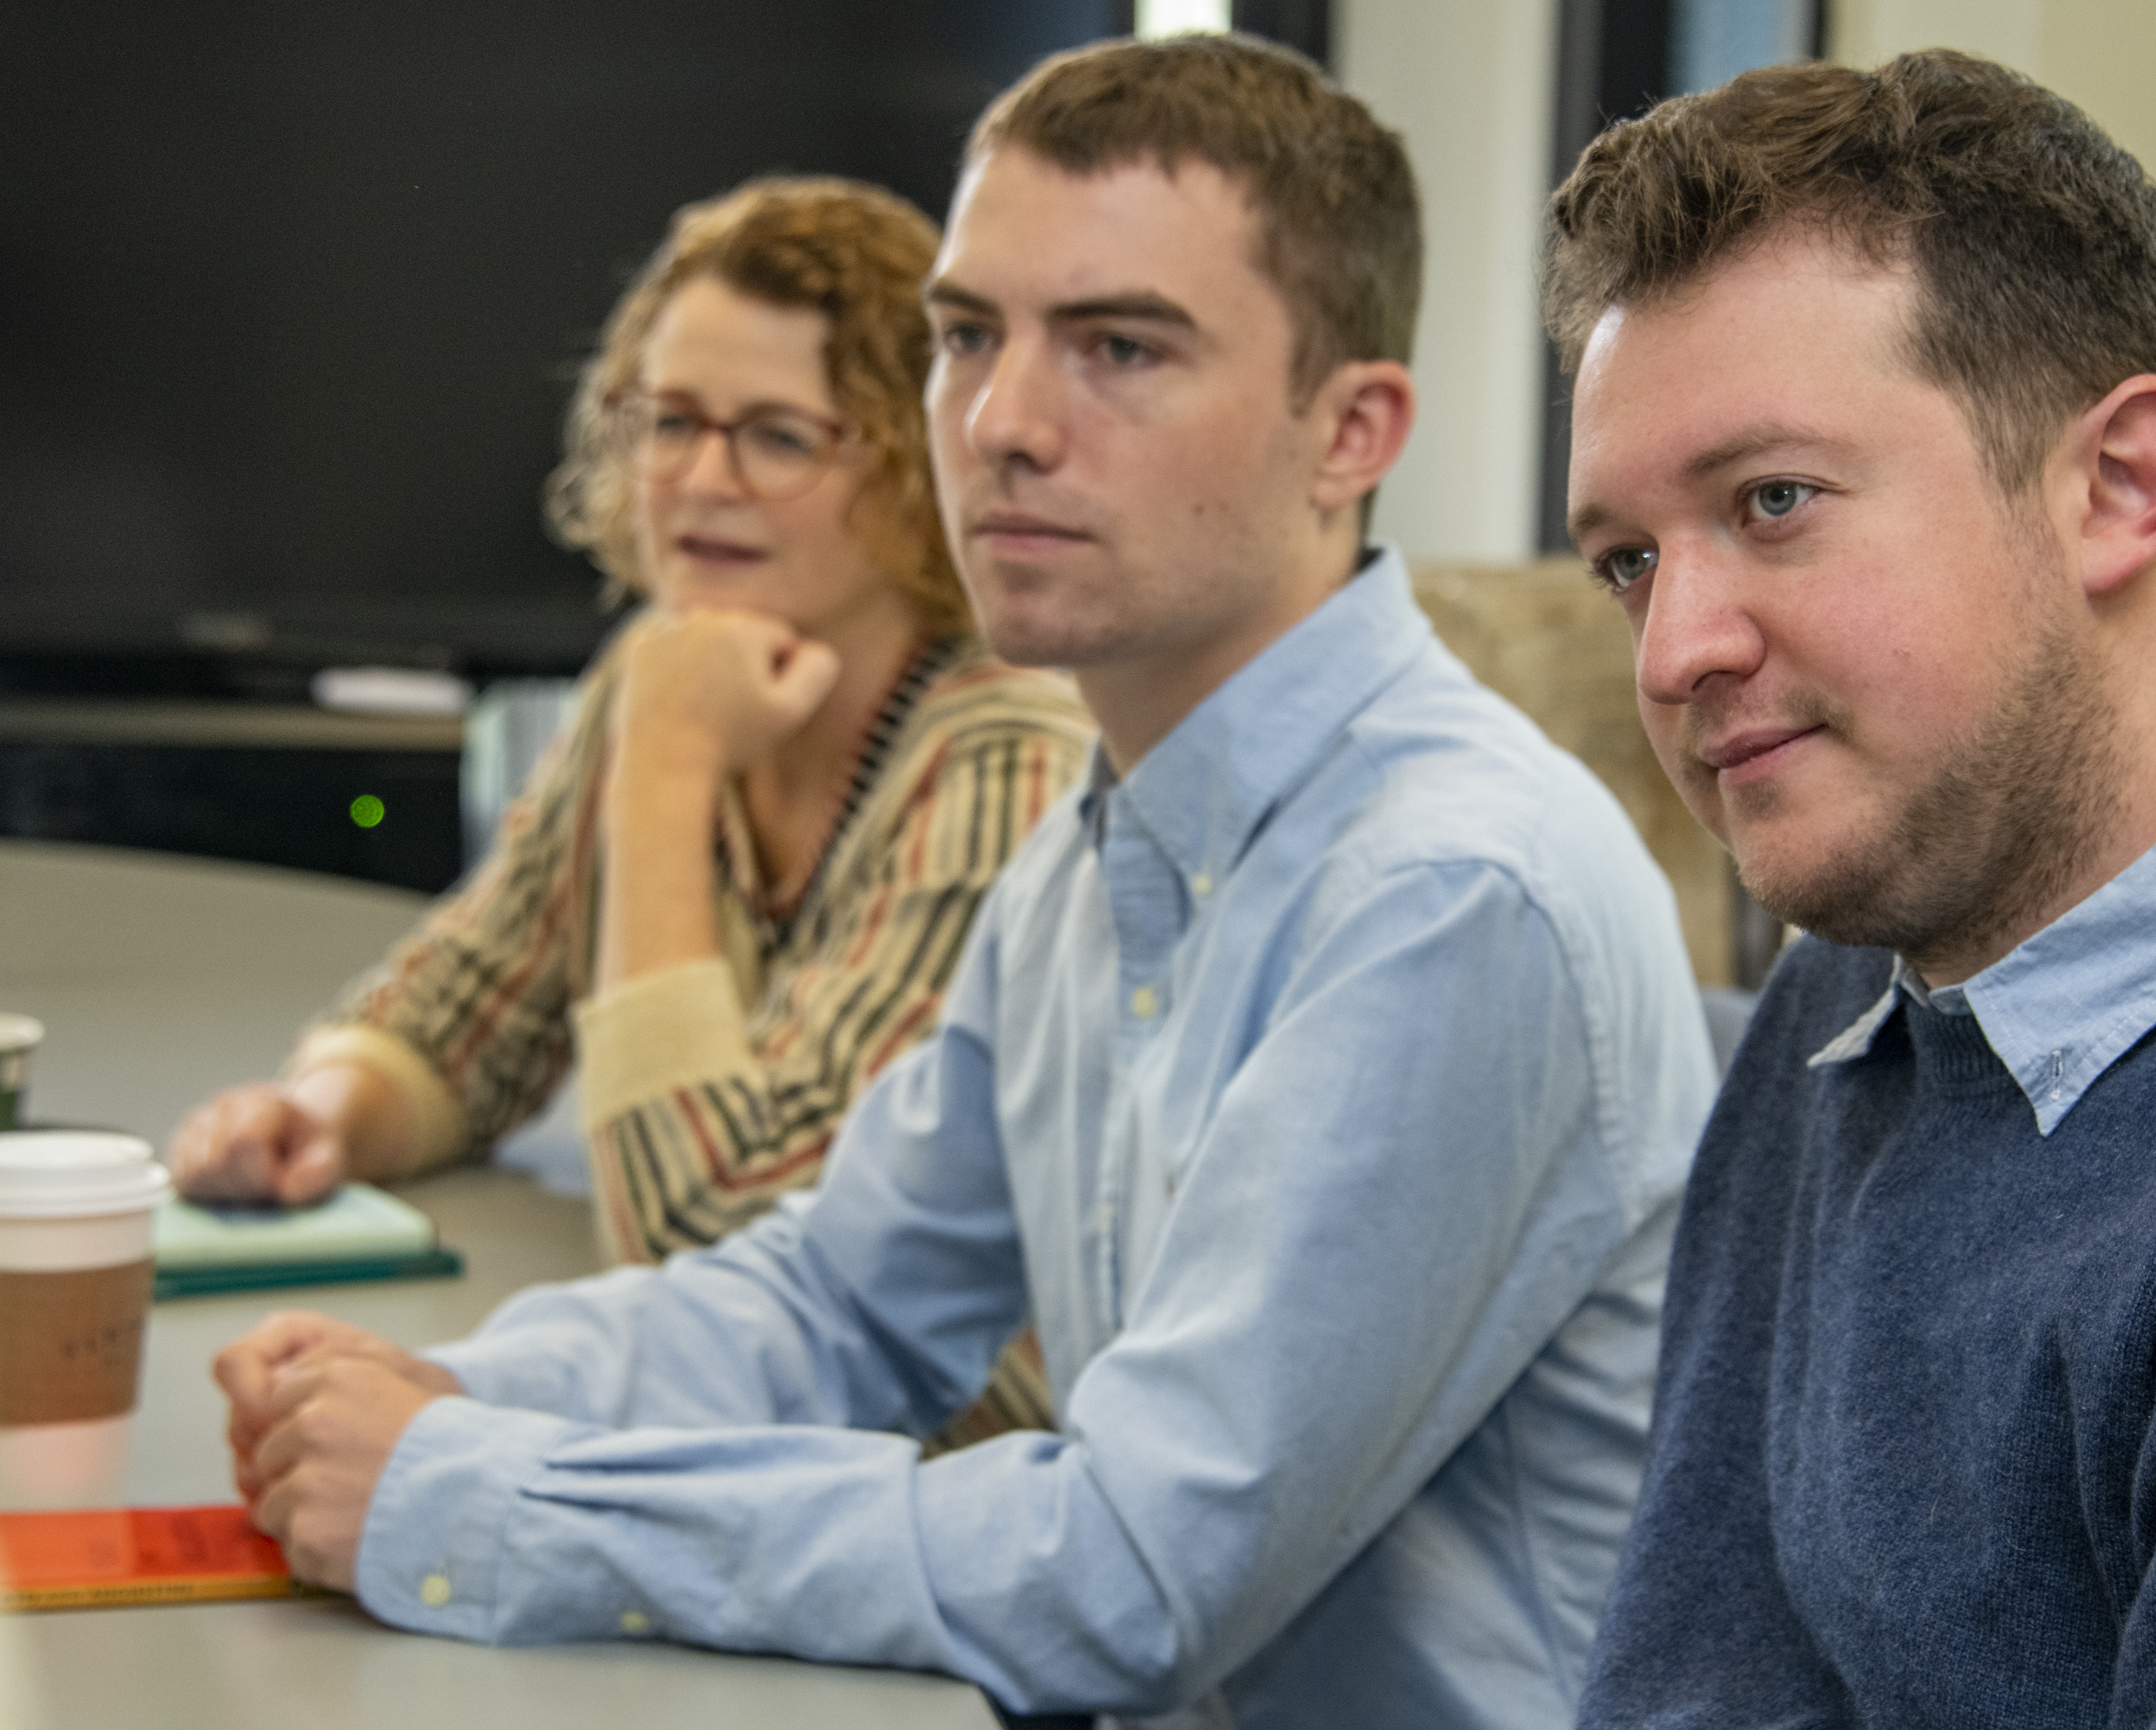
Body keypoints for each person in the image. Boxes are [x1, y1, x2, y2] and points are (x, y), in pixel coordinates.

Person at [211, 34, 1714, 1728]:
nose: (1000, 425)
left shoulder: (1450, 891)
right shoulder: (1105, 833)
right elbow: (842, 1305)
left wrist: (485, 1493)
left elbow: (1131, 1578)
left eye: (1120, 348)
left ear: (1349, 433)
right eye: (966, 338)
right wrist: (449, 1389)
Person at [1549, 50, 2156, 1728]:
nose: (1675, 648)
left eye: (1774, 502)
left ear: (2122, 485)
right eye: (1630, 560)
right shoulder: (1859, 979)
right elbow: (1696, 1680)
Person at [162, 180, 1092, 1277]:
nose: (702, 480)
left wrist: (666, 769)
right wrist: (324, 1115)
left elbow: (720, 1239)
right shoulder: (664, 673)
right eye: (671, 421)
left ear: (917, 466)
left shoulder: (1011, 768)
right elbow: (465, 1020)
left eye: (779, 438)